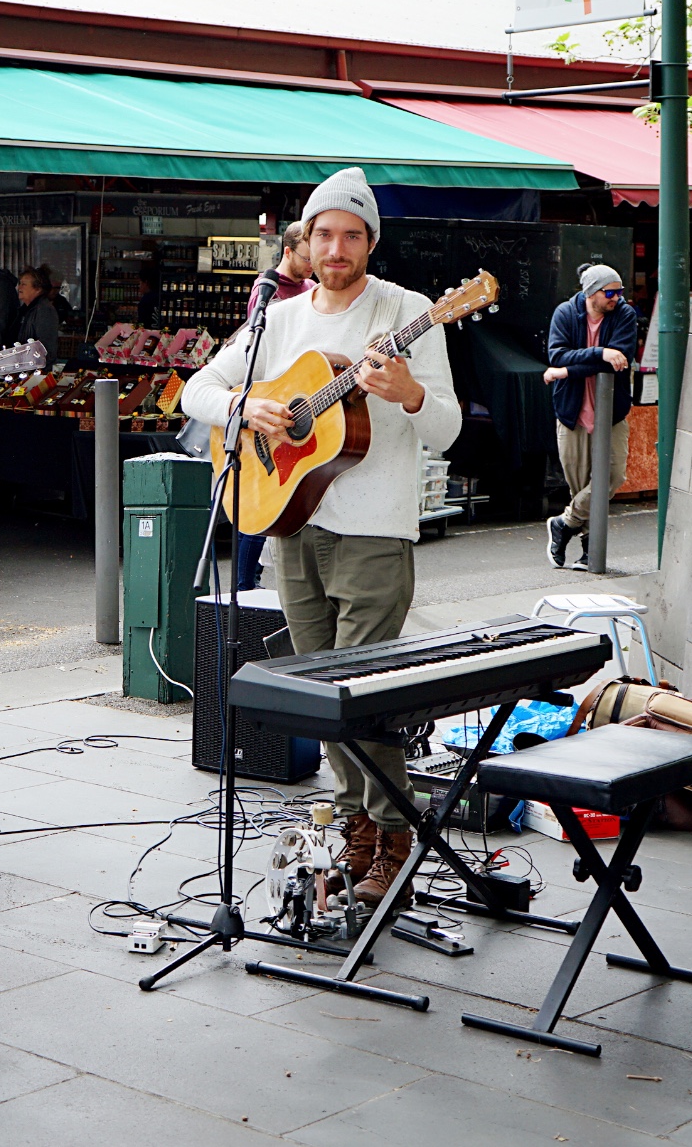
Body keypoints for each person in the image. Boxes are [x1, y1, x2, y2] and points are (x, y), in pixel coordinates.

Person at [183, 168, 461, 909]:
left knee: (365, 695)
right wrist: (251, 409)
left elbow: (449, 426)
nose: (336, 246)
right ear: (305, 242)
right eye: (324, 233)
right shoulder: (280, 317)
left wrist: (406, 392)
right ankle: (352, 830)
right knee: (320, 690)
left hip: (374, 531)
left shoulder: (409, 312)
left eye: (352, 233)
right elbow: (194, 390)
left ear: (371, 241)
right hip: (292, 523)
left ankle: (393, 833)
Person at [233, 220, 314, 590]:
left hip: (303, 405)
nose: (313, 264)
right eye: (307, 256)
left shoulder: (312, 288)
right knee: (263, 499)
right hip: (270, 408)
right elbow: (258, 358)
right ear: (288, 251)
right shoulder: (268, 293)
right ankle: (244, 585)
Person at [543, 264, 637, 571]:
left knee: (611, 477)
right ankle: (589, 552)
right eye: (610, 292)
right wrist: (599, 354)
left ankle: (564, 523)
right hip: (573, 411)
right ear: (591, 293)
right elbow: (556, 354)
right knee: (580, 482)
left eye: (619, 292)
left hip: (611, 412)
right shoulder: (565, 314)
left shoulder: (624, 315)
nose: (616, 298)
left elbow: (619, 361)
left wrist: (566, 371)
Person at [16, 264, 62, 359]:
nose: (19, 288)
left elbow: (46, 348)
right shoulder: (26, 310)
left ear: (38, 289)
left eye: (23, 284)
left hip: (37, 370)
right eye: (19, 283)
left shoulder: (44, 310)